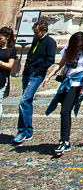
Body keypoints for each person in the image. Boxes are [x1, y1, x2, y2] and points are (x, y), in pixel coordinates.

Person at [43, 32, 83, 157]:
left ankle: (64, 141)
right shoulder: (68, 50)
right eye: (77, 46)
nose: (78, 48)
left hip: (77, 84)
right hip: (66, 82)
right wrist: (48, 76)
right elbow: (60, 64)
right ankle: (64, 139)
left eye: (80, 46)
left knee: (65, 110)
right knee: (65, 112)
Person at [13, 17, 57, 145]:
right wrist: (27, 67)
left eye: (37, 32)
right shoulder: (35, 40)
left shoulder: (50, 42)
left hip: (36, 75)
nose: (35, 34)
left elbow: (50, 60)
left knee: (24, 101)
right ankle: (28, 132)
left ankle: (22, 131)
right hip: (28, 73)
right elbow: (31, 55)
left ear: (43, 30)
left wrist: (38, 71)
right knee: (27, 102)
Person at [0, 27, 17, 131]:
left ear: (7, 38)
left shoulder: (11, 50)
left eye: (1, 38)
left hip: (1, 78)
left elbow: (10, 65)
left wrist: (0, 63)